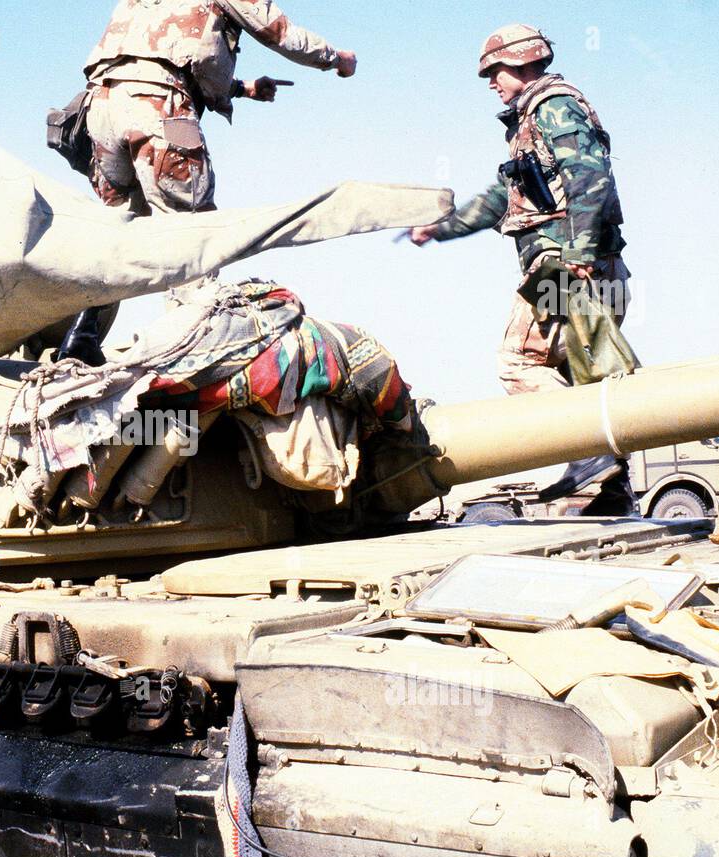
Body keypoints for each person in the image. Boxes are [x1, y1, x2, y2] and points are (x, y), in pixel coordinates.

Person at [408, 24, 636, 515]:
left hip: (566, 270)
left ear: (525, 61)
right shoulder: (530, 123)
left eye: (495, 71)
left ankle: (587, 452)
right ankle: (610, 494)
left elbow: (591, 178)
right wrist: (441, 228)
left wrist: (576, 258)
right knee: (591, 379)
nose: (491, 81)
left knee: (519, 363)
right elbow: (499, 199)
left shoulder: (553, 106)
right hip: (590, 268)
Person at [56, 0, 357, 366]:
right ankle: (192, 352)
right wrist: (336, 59)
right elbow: (279, 33)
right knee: (191, 231)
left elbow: (159, 54)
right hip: (156, 104)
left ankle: (80, 339)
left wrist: (242, 89)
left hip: (101, 108)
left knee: (118, 229)